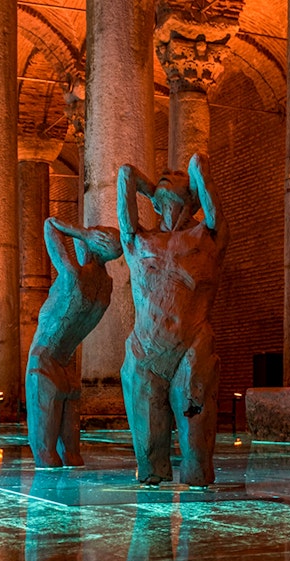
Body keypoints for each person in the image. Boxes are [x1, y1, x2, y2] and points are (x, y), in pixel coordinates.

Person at [117, 153, 228, 488]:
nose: (168, 172)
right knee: (150, 463)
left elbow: (199, 168)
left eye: (175, 175)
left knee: (196, 455)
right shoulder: (140, 241)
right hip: (145, 352)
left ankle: (198, 510)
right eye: (163, 174)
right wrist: (151, 187)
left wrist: (194, 173)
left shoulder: (206, 238)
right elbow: (125, 174)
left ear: (193, 196)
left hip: (190, 347)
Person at [26, 217, 123, 469]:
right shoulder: (105, 289)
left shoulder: (72, 278)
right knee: (72, 458)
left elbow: (49, 225)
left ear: (91, 244)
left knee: (45, 456)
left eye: (93, 233)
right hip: (68, 368)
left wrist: (83, 233)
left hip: (44, 362)